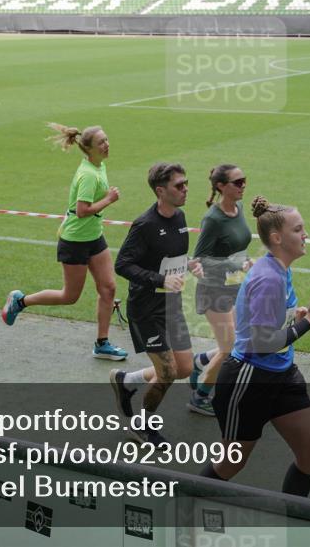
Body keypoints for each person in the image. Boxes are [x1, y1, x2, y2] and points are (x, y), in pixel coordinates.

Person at [200, 196, 310, 497]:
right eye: (298, 230)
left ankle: (291, 524)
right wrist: (308, 321)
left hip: (282, 375)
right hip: (250, 378)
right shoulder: (269, 277)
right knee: (229, 465)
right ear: (277, 237)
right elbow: (261, 343)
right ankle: (183, 513)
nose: (305, 234)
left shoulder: (280, 269)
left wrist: (291, 318)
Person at [2, 123, 127, 362]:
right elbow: (82, 210)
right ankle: (20, 301)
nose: (106, 144)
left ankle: (102, 343)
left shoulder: (98, 166)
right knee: (69, 296)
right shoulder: (89, 174)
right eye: (101, 142)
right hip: (76, 241)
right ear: (89, 149)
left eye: (107, 139)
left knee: (108, 288)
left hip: (94, 236)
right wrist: (109, 199)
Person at [109, 163, 202, 446]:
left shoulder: (180, 216)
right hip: (147, 309)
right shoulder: (145, 225)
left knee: (184, 367)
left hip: (170, 305)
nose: (186, 189)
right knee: (168, 373)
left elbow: (172, 258)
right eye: (179, 185)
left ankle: (127, 381)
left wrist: (190, 265)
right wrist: (160, 280)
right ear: (161, 191)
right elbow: (122, 264)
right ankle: (141, 427)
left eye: (186, 183)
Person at [187, 164, 253, 417]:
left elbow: (238, 245)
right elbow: (199, 259)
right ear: (221, 187)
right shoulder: (212, 219)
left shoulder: (239, 208)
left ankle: (200, 361)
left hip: (234, 286)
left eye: (244, 180)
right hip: (213, 289)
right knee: (229, 348)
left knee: (239, 343)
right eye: (237, 182)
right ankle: (201, 396)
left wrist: (243, 263)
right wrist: (235, 264)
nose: (243, 185)